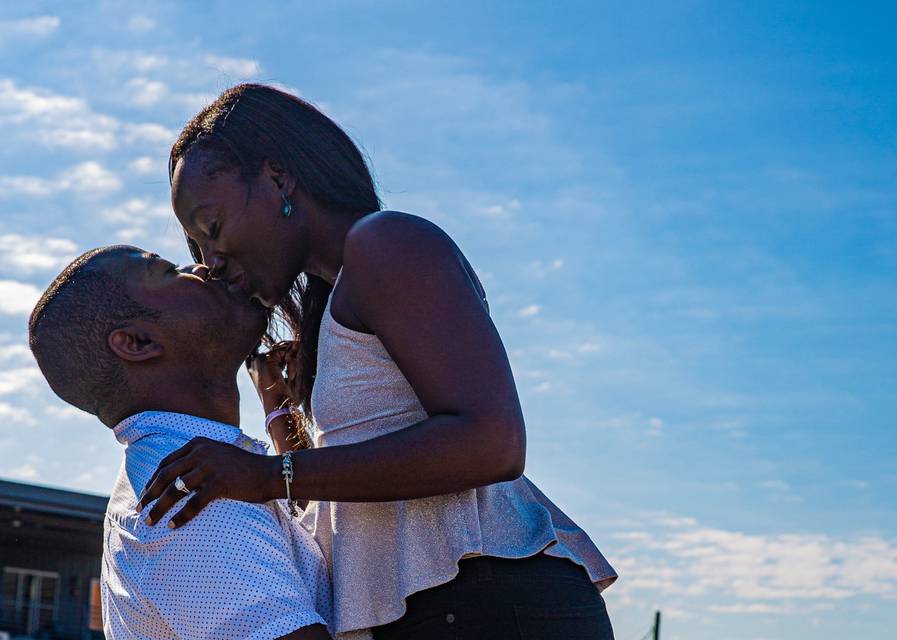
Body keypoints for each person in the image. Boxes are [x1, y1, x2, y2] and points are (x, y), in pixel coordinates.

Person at [138, 83, 618, 639]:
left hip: (491, 600)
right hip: (444, 608)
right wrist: (282, 423)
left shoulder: (387, 242)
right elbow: (352, 507)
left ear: (276, 178)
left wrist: (269, 475)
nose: (212, 261)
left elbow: (493, 442)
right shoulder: (338, 297)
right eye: (197, 247)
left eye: (212, 228)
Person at [28, 245, 335, 640]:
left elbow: (312, 536)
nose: (204, 267)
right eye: (170, 271)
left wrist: (278, 413)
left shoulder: (199, 470)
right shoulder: (189, 498)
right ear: (137, 342)